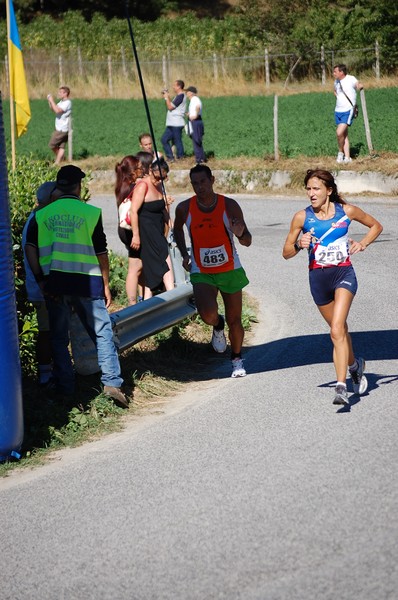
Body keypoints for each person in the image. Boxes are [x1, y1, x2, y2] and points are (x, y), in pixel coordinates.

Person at [25, 165, 129, 408]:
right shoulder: (90, 212)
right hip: (87, 282)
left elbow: (30, 248)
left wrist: (41, 280)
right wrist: (105, 283)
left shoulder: (42, 215)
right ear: (79, 186)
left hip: (55, 284)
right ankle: (112, 383)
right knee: (103, 332)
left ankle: (66, 388)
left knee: (60, 338)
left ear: (59, 186)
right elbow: (101, 252)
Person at [282, 169, 383, 406]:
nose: (311, 193)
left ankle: (340, 387)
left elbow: (376, 226)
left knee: (336, 329)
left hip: (343, 275)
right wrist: (298, 244)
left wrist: (363, 243)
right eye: (308, 189)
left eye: (316, 188)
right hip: (318, 281)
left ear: (329, 190)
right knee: (341, 332)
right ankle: (355, 366)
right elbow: (285, 253)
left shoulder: (346, 212)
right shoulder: (301, 217)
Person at [173, 164, 252, 378]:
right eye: (195, 183)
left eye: (203, 182)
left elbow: (247, 241)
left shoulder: (229, 206)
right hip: (201, 269)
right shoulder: (184, 208)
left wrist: (240, 232)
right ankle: (218, 325)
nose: (200, 187)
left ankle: (236, 359)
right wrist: (184, 254)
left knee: (236, 319)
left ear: (212, 180)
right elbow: (176, 229)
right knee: (207, 313)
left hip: (230, 269)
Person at [22, 182, 58, 386]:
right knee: (47, 332)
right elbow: (31, 251)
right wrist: (43, 284)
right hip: (43, 289)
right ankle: (46, 375)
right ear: (49, 199)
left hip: (43, 287)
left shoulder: (39, 218)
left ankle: (50, 371)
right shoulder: (38, 220)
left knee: (51, 331)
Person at [130, 158, 174, 296]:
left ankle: (149, 300)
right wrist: (136, 236)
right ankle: (172, 293)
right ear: (150, 171)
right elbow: (133, 211)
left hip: (158, 228)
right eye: (157, 177)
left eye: (163, 178)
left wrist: (169, 221)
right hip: (146, 230)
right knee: (164, 257)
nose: (159, 180)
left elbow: (163, 210)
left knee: (150, 266)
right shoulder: (143, 186)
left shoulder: (160, 186)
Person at [114, 155, 144, 305]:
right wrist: (137, 235)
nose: (142, 170)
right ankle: (133, 304)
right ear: (132, 171)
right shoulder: (133, 187)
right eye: (139, 167)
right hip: (132, 231)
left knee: (139, 266)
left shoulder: (122, 185)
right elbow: (134, 211)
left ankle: (140, 298)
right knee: (135, 267)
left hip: (124, 229)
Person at [333, 64, 363, 164]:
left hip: (348, 110)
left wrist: (359, 86)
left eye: (335, 72)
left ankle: (340, 153)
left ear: (341, 72)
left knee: (339, 133)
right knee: (344, 135)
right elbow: (335, 91)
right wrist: (339, 98)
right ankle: (347, 157)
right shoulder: (336, 81)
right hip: (338, 111)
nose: (334, 74)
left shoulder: (350, 78)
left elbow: (357, 84)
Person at [160, 80, 186, 162]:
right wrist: (167, 97)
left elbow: (170, 107)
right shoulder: (178, 96)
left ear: (179, 86)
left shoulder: (180, 96)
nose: (173, 87)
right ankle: (170, 157)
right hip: (172, 123)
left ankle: (181, 157)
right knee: (164, 139)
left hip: (176, 123)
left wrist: (166, 97)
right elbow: (172, 104)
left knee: (177, 141)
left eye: (174, 85)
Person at [47, 86, 72, 165]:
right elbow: (54, 109)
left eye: (61, 92)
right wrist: (50, 102)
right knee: (61, 146)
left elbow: (58, 111)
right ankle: (58, 162)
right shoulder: (61, 102)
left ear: (65, 93)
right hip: (61, 127)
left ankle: (60, 159)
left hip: (62, 129)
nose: (59, 94)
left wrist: (52, 100)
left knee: (52, 144)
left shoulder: (67, 103)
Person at [186, 86, 206, 164]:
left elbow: (198, 107)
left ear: (191, 93)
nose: (186, 94)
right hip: (194, 121)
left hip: (196, 121)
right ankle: (200, 158)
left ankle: (200, 159)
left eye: (187, 92)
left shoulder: (195, 99)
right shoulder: (192, 100)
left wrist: (195, 116)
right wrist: (189, 114)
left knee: (197, 140)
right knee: (195, 139)